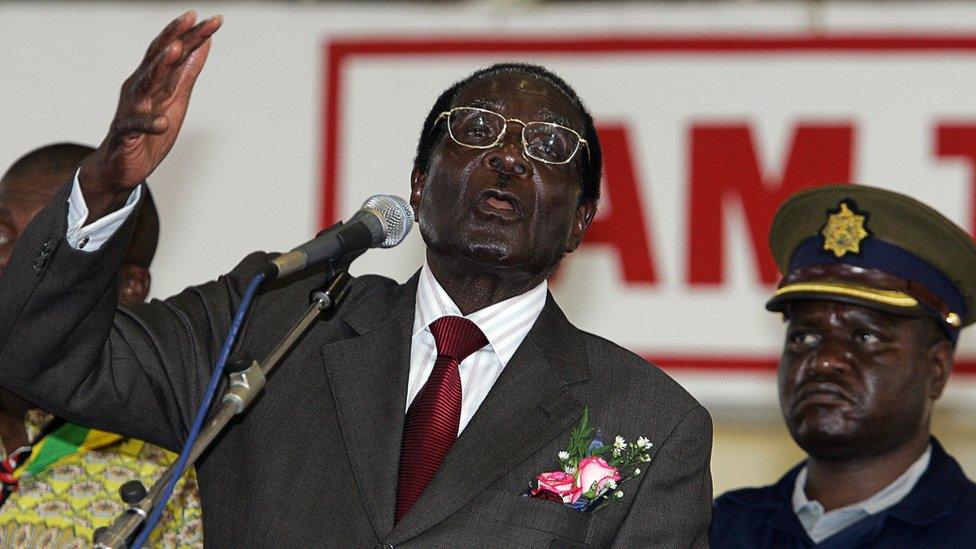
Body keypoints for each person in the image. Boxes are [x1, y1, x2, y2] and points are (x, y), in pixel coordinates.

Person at [0, 12, 712, 547]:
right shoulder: (275, 320)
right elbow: (46, 358)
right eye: (477, 129)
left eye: (550, 146)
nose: (508, 159)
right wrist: (101, 185)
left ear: (582, 220)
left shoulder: (649, 422)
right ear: (418, 182)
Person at [710, 184, 976, 548]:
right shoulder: (718, 529)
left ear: (937, 369)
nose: (825, 359)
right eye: (804, 337)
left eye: (865, 337)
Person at [0, 143, 203, 548]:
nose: (10, 264)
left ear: (129, 288)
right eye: (1, 235)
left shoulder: (178, 480)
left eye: (49, 248)